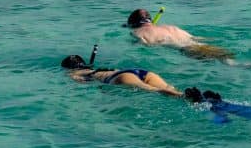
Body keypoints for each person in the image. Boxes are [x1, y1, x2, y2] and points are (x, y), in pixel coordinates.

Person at [60, 53, 221, 103]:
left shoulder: (75, 73)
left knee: (155, 91)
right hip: (139, 71)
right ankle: (199, 96)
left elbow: (81, 82)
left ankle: (186, 97)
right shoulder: (94, 68)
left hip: (121, 77)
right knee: (168, 88)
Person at [124, 8, 235, 62]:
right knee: (228, 61)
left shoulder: (137, 32)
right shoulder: (171, 27)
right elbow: (194, 37)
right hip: (199, 44)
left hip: (186, 50)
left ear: (133, 24)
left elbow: (143, 46)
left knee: (226, 63)